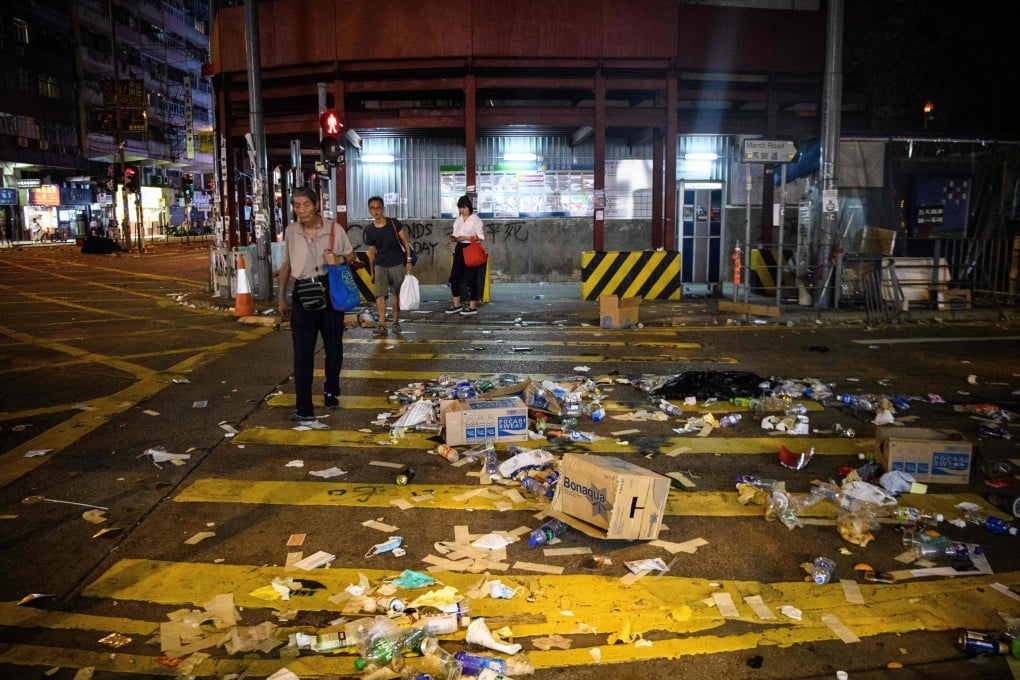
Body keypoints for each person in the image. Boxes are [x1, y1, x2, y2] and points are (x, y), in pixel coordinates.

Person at [277, 186, 358, 423]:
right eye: (296, 205)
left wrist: (339, 258)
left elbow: (352, 256)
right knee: (302, 353)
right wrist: (282, 297)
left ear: (315, 205)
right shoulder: (291, 231)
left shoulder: (334, 229)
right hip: (303, 293)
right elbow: (286, 266)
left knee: (334, 347)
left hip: (330, 291)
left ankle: (331, 390)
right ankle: (304, 408)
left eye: (306, 205)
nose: (301, 210)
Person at [362, 196, 413, 332]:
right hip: (380, 265)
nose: (375, 211)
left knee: (396, 294)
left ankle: (396, 323)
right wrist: (372, 272)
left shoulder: (394, 223)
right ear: (369, 210)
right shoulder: (369, 230)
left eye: (378, 207)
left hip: (397, 264)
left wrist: (408, 260)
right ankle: (383, 324)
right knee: (380, 295)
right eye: (372, 208)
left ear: (383, 208)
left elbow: (406, 242)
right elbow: (371, 252)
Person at [445, 195, 485, 315]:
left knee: (471, 278)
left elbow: (481, 237)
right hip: (459, 249)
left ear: (469, 207)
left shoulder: (476, 220)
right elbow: (456, 235)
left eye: (464, 207)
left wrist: (467, 237)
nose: (462, 210)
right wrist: (455, 239)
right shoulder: (457, 221)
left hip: (471, 248)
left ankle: (472, 306)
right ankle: (457, 304)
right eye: (460, 208)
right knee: (454, 278)